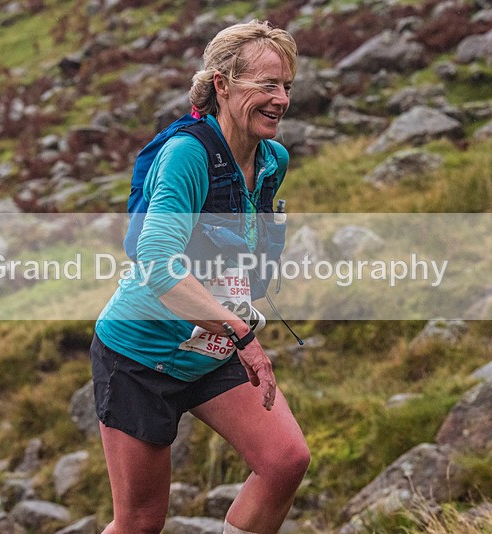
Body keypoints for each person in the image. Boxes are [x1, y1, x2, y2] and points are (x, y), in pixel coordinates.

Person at [91, 19, 309, 534]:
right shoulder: (187, 154)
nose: (280, 99)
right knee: (140, 522)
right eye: (266, 85)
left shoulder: (271, 158)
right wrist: (242, 335)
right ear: (222, 85)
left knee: (284, 462)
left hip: (208, 349)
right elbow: (157, 263)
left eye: (286, 87)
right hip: (139, 356)